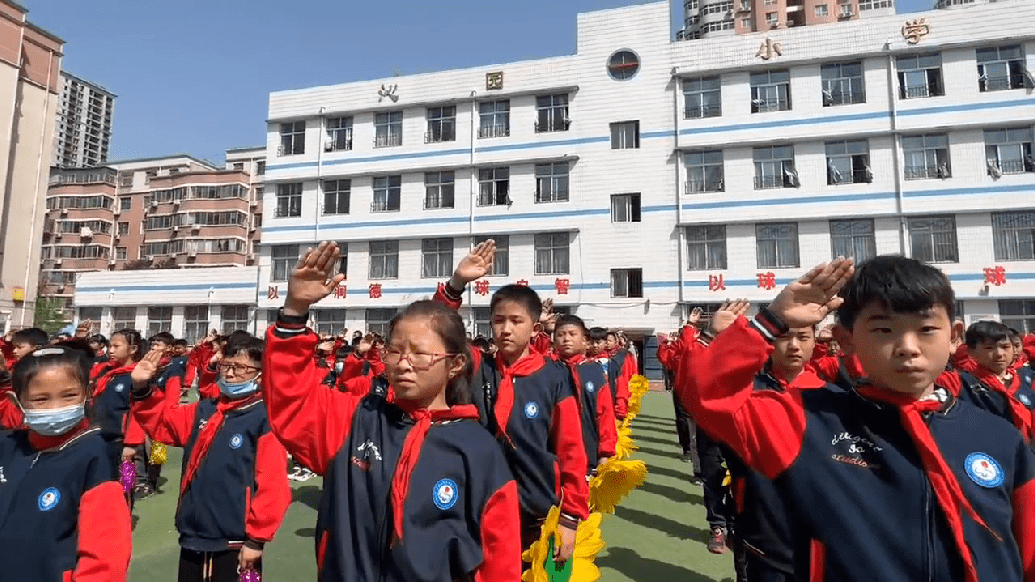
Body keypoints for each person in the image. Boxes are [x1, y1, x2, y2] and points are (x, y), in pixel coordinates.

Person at [679, 255, 1035, 582]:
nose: (908, 346)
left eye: (927, 329)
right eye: (884, 330)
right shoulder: (807, 421)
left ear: (954, 337)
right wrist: (769, 321)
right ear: (846, 340)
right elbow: (706, 395)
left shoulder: (998, 437)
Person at [264, 241, 521, 580]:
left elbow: (499, 561)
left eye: (419, 354)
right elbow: (289, 398)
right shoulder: (357, 420)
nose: (403, 364)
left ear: (456, 364)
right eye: (395, 351)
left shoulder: (478, 450)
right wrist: (294, 311)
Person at [434, 240, 589, 559]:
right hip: (478, 505)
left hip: (535, 511)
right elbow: (438, 332)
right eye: (498, 320)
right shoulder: (477, 366)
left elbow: (570, 448)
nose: (505, 329)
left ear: (534, 329)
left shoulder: (554, 377)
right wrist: (456, 284)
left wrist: (571, 518)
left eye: (516, 321)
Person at [131, 333, 291, 581]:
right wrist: (141, 388)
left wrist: (257, 539)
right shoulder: (207, 408)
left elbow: (272, 485)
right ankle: (140, 485)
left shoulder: (264, 418)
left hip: (233, 540)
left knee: (148, 460)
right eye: (226, 365)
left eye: (240, 368)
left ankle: (143, 483)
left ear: (262, 373)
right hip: (193, 532)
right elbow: (165, 425)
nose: (229, 373)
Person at [0, 344, 132, 579]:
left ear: (88, 392)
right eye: (41, 399)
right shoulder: (8, 445)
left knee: (132, 466)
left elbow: (105, 561)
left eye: (69, 395)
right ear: (17, 401)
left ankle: (142, 482)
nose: (56, 407)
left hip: (126, 438)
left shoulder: (96, 455)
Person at [553, 314, 617, 473]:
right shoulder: (548, 369)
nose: (566, 339)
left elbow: (605, 413)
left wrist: (605, 453)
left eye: (572, 334)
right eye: (560, 335)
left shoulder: (594, 371)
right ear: (554, 341)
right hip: (554, 455)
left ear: (584, 341)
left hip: (588, 453)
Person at [955, 320, 1035, 441]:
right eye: (989, 348)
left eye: (1005, 347)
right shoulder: (962, 383)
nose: (999, 354)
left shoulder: (1028, 377)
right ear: (971, 351)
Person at [92, 329, 149, 478]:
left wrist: (131, 443)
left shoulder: (138, 376)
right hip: (100, 436)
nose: (111, 350)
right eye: (110, 346)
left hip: (122, 439)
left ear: (133, 349)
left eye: (116, 346)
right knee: (103, 481)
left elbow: (138, 410)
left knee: (126, 482)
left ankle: (148, 481)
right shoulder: (107, 373)